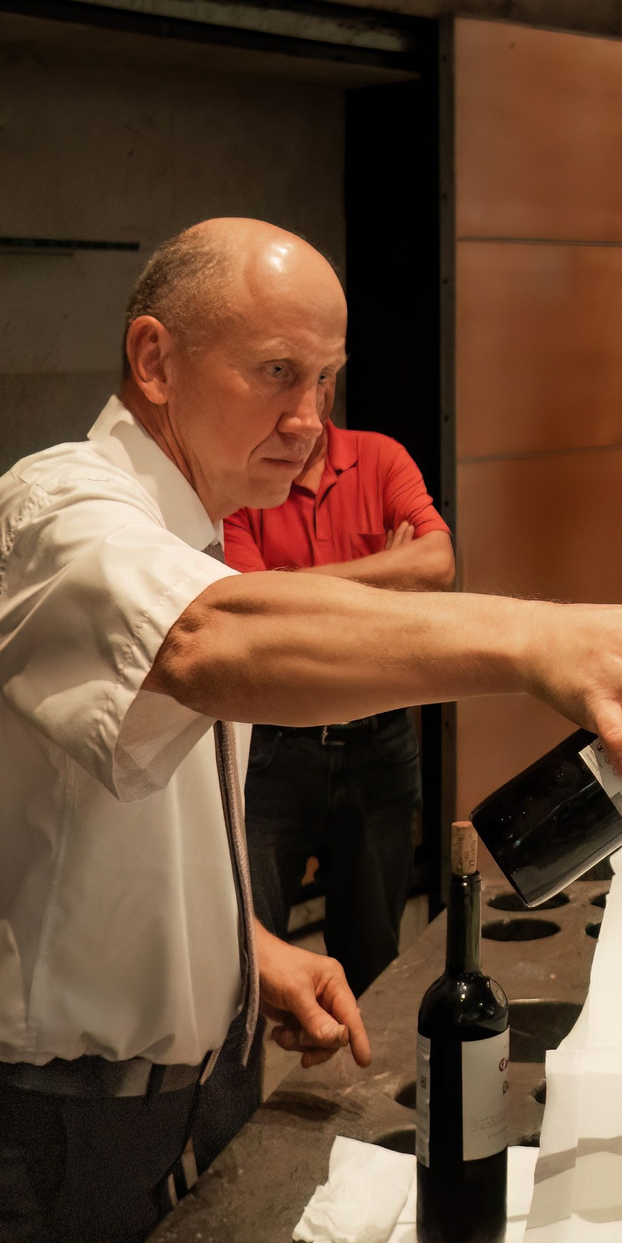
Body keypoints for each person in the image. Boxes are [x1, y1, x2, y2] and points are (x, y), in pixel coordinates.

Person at [0, 219, 622, 1243]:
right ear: (154, 361)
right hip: (23, 1149)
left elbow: (85, 820)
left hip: (163, 1117)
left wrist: (242, 948)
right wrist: (536, 638)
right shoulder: (52, 511)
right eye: (276, 373)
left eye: (326, 381)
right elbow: (209, 642)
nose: (308, 419)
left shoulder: (185, 538)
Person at [225, 420, 453, 998]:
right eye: (288, 377)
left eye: (323, 379)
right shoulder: (241, 475)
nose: (307, 405)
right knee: (248, 959)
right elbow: (253, 608)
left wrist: (294, 586)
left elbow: (437, 563)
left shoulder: (381, 457)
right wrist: (383, 580)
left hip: (379, 743)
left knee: (373, 961)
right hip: (274, 747)